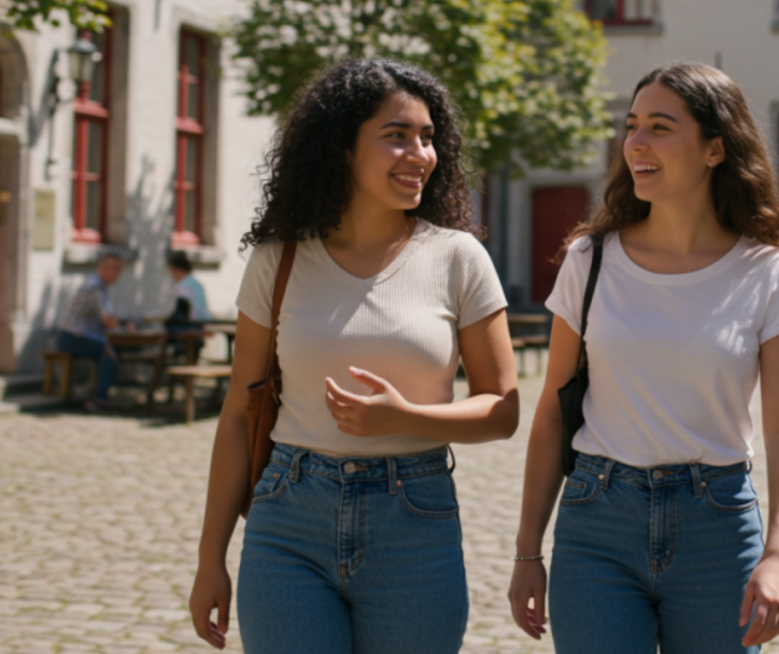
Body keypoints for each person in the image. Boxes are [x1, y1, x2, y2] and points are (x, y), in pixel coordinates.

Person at [188, 59, 518, 654]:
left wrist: (405, 419)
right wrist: (211, 558)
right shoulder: (278, 259)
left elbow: (502, 409)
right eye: (397, 136)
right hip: (288, 519)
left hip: (415, 521)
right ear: (342, 147)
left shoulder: (458, 257)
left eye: (427, 137)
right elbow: (240, 413)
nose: (420, 153)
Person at [507, 64, 779, 653]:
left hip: (718, 528)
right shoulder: (589, 260)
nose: (636, 143)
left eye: (660, 127)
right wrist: (528, 551)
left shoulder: (769, 271)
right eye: (632, 125)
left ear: (715, 149)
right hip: (597, 522)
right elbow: (551, 410)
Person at [56, 252, 124, 412]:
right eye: (114, 269)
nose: (117, 274)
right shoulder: (94, 286)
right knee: (109, 355)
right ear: (102, 269)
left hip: (79, 335)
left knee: (111, 350)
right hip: (71, 336)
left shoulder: (98, 285)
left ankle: (94, 392)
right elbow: (107, 319)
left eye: (119, 270)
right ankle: (99, 399)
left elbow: (106, 318)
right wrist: (123, 326)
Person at [164, 252, 211, 335]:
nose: (171, 275)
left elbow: (172, 310)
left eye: (171, 272)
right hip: (200, 323)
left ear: (178, 270)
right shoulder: (196, 283)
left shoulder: (183, 286)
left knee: (165, 331)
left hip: (190, 325)